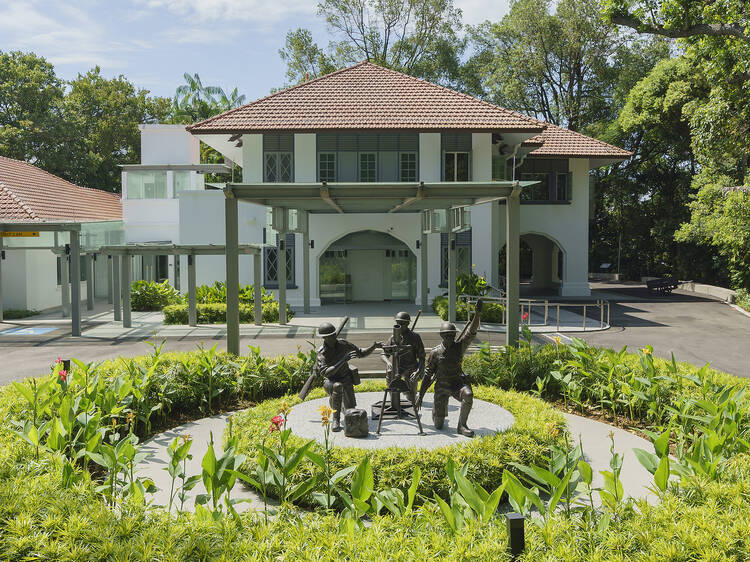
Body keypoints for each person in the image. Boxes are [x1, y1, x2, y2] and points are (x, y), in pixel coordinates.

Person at [416, 299, 483, 437]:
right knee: (439, 425)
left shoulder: (459, 347)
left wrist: (477, 314)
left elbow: (471, 331)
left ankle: (462, 426)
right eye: (447, 335)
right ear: (441, 336)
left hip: (457, 384)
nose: (450, 338)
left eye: (452, 335)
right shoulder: (435, 353)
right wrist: (420, 396)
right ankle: (437, 412)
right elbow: (428, 376)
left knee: (468, 394)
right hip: (441, 387)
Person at [312, 322, 382, 432]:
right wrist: (343, 360)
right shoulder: (322, 353)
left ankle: (338, 403)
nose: (334, 337)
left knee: (350, 411)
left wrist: (373, 347)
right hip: (331, 381)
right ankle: (336, 419)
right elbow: (326, 372)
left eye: (334, 334)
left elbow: (360, 353)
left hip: (345, 379)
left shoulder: (343, 345)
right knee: (338, 386)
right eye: (330, 336)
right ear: (324, 338)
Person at [383, 311, 425, 396]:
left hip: (410, 368)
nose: (400, 325)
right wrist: (388, 362)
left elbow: (422, 357)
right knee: (391, 379)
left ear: (408, 324)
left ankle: (410, 392)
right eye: (398, 323)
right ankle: (393, 395)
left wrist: (418, 371)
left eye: (403, 323)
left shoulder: (415, 337)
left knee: (410, 396)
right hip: (396, 368)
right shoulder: (393, 338)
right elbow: (384, 354)